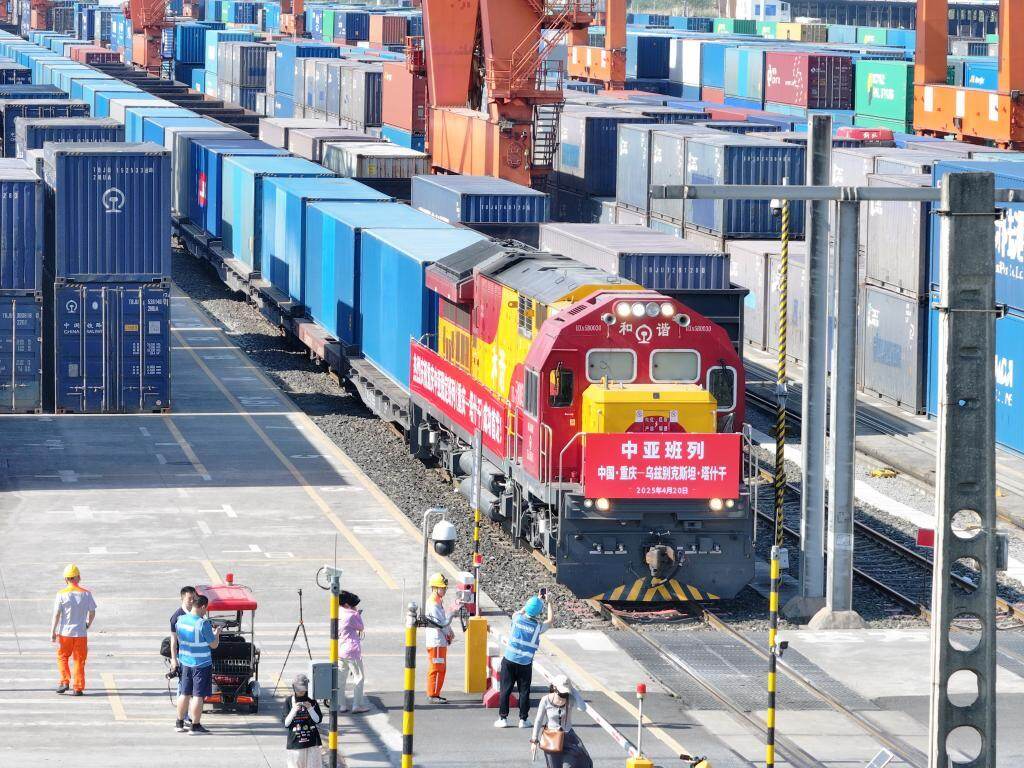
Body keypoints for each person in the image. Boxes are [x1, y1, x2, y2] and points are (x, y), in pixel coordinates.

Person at [495, 593, 553, 729]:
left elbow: (520, 612)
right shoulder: (538, 627)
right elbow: (550, 620)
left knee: (505, 690)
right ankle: (523, 719)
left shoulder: (516, 618)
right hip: (525, 664)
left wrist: (533, 602)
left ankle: (503, 718)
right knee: (524, 692)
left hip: (509, 660)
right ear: (539, 612)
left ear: (526, 607)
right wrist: (549, 602)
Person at [174, 594, 221, 734]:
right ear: (202, 606)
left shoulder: (181, 619)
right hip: (201, 664)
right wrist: (217, 633)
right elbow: (213, 645)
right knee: (198, 695)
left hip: (185, 662)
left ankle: (179, 723)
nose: (205, 612)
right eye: (205, 609)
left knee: (184, 693)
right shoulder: (202, 623)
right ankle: (195, 725)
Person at [51, 563, 97, 696]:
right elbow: (92, 612)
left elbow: (56, 614)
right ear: (79, 577)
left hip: (65, 633)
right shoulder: (86, 594)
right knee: (79, 660)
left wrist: (53, 631)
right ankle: (78, 688)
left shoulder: (61, 594)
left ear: (65, 579)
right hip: (81, 633)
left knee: (62, 657)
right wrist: (88, 624)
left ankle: (64, 681)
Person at [530, 675, 592, 768]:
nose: (564, 694)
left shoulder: (570, 698)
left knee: (569, 765)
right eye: (562, 691)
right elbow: (538, 720)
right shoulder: (545, 700)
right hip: (551, 739)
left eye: (566, 691)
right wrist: (534, 740)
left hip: (569, 738)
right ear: (555, 688)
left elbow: (582, 708)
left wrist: (572, 689)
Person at [424, 572, 460, 704]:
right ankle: (433, 694)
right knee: (437, 668)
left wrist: (450, 631)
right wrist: (448, 633)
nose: (444, 590)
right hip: (437, 642)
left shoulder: (437, 601)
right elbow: (441, 623)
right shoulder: (433, 604)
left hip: (439, 641)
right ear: (435, 588)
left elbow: (443, 620)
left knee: (440, 668)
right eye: (442, 588)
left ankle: (435, 693)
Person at [283, 673, 323, 768]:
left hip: (312, 742)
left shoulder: (311, 701)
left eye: (303, 690)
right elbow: (286, 723)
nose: (301, 692)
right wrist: (293, 710)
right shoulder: (289, 701)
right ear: (294, 687)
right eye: (298, 690)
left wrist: (310, 709)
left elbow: (318, 720)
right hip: (295, 743)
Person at [338, 590, 368, 714]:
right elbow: (361, 627)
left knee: (341, 679)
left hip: (340, 650)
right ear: (346, 604)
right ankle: (357, 705)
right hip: (352, 650)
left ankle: (342, 705)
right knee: (358, 677)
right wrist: (357, 613)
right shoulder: (351, 614)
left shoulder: (337, 612)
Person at [168, 586, 196, 677]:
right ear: (182, 599)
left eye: (194, 598)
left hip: (197, 657)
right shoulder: (176, 617)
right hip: (184, 657)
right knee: (184, 681)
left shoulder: (198, 612)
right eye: (189, 598)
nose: (192, 601)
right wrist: (174, 659)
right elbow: (174, 640)